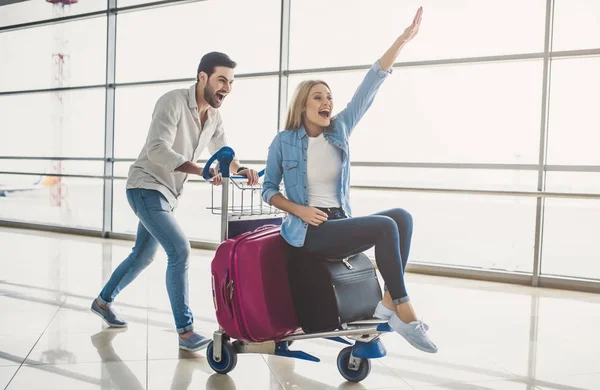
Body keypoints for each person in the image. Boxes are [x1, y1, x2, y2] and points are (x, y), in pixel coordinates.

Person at [262, 8, 436, 353]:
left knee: (401, 217)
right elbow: (269, 190)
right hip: (309, 232)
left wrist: (401, 41)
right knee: (386, 226)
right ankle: (404, 310)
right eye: (318, 97)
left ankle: (389, 300)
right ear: (303, 106)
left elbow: (371, 84)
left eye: (329, 97)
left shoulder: (339, 129)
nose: (327, 102)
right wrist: (299, 210)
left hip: (339, 221)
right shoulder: (284, 142)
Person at [91, 52, 259, 352]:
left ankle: (103, 302)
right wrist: (201, 170)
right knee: (180, 250)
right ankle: (185, 332)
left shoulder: (214, 118)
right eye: (222, 80)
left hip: (167, 194)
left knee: (142, 255)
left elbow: (224, 155)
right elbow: (157, 150)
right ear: (202, 77)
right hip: (145, 186)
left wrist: (240, 169)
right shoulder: (172, 102)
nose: (227, 88)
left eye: (231, 82)